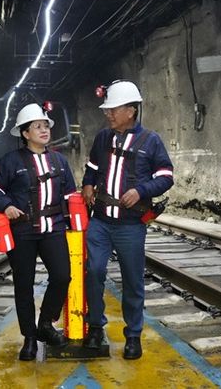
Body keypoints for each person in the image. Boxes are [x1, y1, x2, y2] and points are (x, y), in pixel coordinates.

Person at [81, 80, 174, 360]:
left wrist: (141, 190)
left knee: (133, 280)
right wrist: (87, 183)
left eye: (113, 109)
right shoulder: (102, 138)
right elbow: (93, 166)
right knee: (94, 271)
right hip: (99, 222)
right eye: (107, 110)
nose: (108, 114)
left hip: (130, 225)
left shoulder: (150, 141)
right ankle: (96, 327)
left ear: (131, 111)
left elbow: (166, 176)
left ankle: (133, 335)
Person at [0, 103, 76, 361]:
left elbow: (69, 194)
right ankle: (29, 338)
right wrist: (7, 206)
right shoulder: (10, 161)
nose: (44, 129)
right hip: (23, 231)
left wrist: (76, 221)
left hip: (53, 228)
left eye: (45, 125)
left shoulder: (59, 160)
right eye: (37, 126)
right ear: (25, 133)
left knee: (62, 276)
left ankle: (45, 324)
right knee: (23, 285)